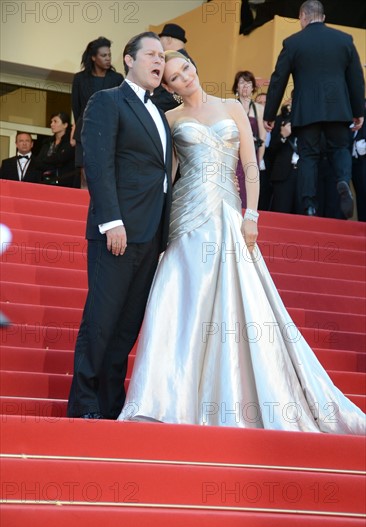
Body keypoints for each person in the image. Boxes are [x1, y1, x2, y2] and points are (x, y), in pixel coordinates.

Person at [118, 50, 365, 434]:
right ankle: (171, 396)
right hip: (187, 217)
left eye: (186, 67)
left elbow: (249, 164)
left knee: (240, 303)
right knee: (185, 303)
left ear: (194, 65)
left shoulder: (232, 106)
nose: (186, 77)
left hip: (231, 214)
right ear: (168, 87)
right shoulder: (170, 120)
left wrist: (252, 215)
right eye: (176, 78)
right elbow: (166, 180)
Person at [67, 32, 173, 420]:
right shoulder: (108, 100)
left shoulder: (160, 113)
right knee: (101, 320)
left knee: (127, 327)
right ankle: (84, 406)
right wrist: (112, 221)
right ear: (128, 60)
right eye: (151, 54)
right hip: (118, 232)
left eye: (163, 56)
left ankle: (111, 405)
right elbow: (97, 163)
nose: (159, 61)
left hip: (151, 236)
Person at [263, 0, 365, 218]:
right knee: (339, 149)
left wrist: (269, 114)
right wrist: (358, 112)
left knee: (308, 156)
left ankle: (309, 204)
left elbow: (278, 79)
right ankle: (342, 182)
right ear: (323, 17)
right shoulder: (344, 40)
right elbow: (357, 80)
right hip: (338, 110)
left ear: (302, 16)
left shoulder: (293, 43)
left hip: (307, 112)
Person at [72, 37, 124, 188]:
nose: (108, 59)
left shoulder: (117, 79)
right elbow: (76, 108)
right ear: (93, 57)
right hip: (85, 131)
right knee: (85, 175)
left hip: (109, 132)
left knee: (105, 176)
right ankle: (83, 209)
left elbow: (121, 107)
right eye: (103, 55)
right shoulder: (80, 79)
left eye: (109, 55)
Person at [231, 70, 270, 209]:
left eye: (248, 83)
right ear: (236, 87)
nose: (245, 86)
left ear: (253, 87)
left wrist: (258, 162)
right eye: (241, 82)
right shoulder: (229, 106)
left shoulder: (259, 108)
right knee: (232, 192)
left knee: (248, 195)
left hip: (251, 157)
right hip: (233, 157)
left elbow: (262, 139)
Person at [151, 23, 196, 113]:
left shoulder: (174, 60)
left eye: (160, 40)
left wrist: (151, 104)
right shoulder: (186, 60)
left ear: (168, 39)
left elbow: (177, 97)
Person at [35, 112, 76, 188]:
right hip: (46, 182)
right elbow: (38, 162)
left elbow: (61, 158)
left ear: (65, 125)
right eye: (51, 122)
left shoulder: (70, 142)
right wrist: (53, 161)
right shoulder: (47, 142)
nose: (51, 124)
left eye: (55, 121)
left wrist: (47, 161)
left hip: (65, 184)